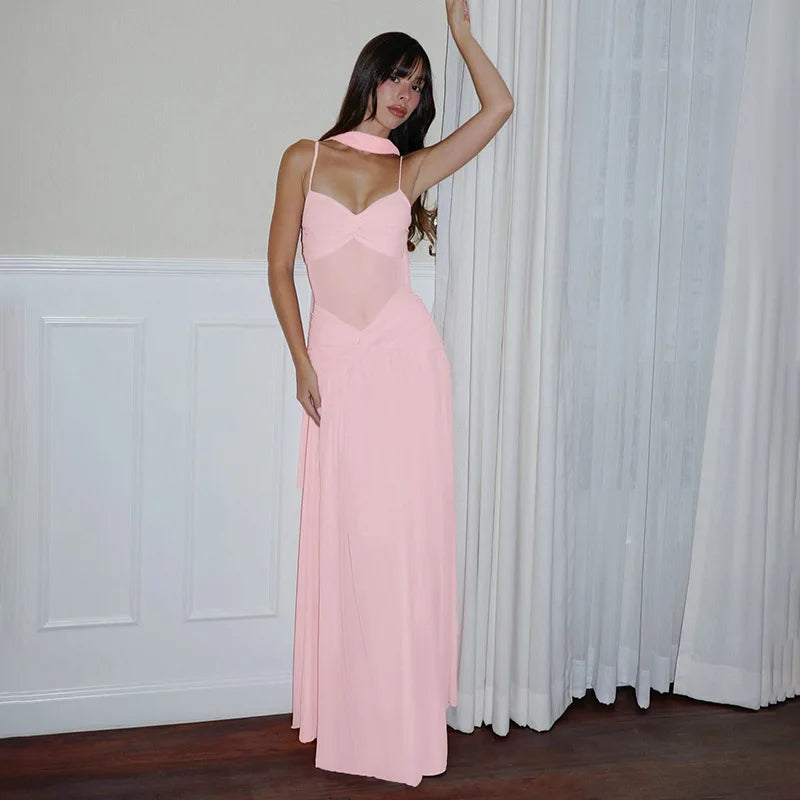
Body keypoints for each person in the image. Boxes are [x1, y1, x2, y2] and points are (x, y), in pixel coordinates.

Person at [267, 0, 513, 786]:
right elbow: (278, 269)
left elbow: (501, 108)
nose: (406, 94)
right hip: (337, 360)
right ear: (368, 80)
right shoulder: (303, 157)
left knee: (403, 542)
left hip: (408, 362)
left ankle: (404, 720)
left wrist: (464, 35)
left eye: (418, 83)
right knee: (350, 536)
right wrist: (304, 363)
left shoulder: (413, 168)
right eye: (397, 77)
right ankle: (349, 716)